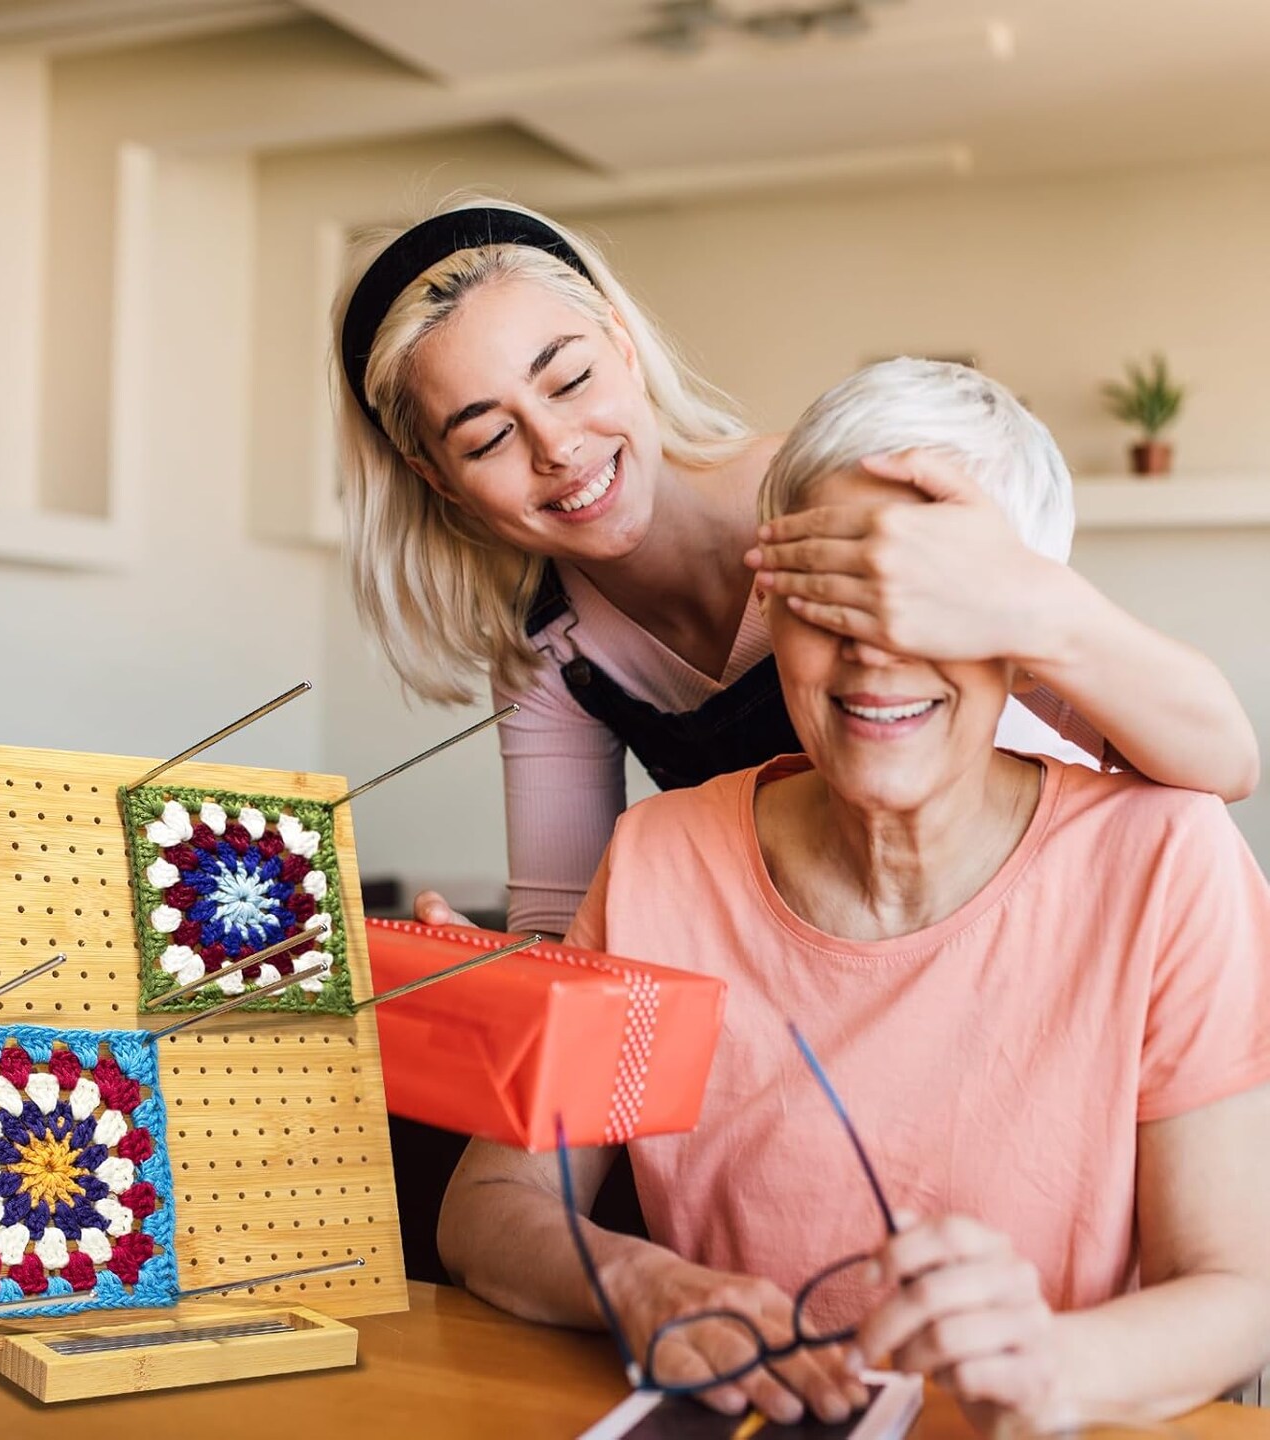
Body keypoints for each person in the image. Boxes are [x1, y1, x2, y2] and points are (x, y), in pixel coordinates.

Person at [436, 359, 1270, 1434]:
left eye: (928, 606)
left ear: (1023, 644)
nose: (875, 651)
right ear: (769, 610)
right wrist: (637, 1282)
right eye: (831, 596)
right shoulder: (659, 861)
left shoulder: (1165, 857)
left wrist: (1054, 1365)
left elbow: (1241, 1296)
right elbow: (493, 1207)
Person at [334, 197, 1258, 938]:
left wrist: (1016, 596)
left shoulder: (838, 497)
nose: (559, 448)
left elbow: (1219, 759)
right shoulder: (552, 650)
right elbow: (568, 926)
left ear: (621, 344)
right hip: (843, 954)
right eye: (490, 436)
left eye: (570, 380)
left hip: (1060, 914)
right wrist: (495, 976)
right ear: (437, 479)